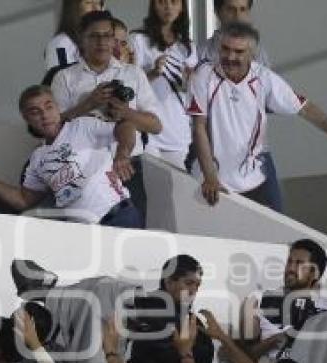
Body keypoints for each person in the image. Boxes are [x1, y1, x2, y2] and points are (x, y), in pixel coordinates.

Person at [189, 22, 327, 208]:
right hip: (209, 182)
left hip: (253, 182)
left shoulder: (264, 78)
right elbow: (199, 127)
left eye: (239, 52)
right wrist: (210, 177)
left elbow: (304, 107)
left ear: (252, 54)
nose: (230, 57)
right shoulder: (204, 75)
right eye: (225, 49)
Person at [0, 84, 141, 228]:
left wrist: (122, 154)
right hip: (82, 232)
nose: (45, 115)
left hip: (117, 216)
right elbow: (23, 200)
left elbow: (126, 126)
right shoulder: (37, 158)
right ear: (26, 119)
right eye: (35, 112)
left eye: (48, 107)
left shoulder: (81, 126)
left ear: (57, 107)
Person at [51, 10, 162, 226]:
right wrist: (88, 104)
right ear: (81, 39)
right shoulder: (65, 77)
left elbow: (156, 125)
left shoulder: (132, 73)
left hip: (127, 165)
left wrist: (126, 112)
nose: (102, 42)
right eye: (94, 36)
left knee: (133, 237)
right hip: (82, 168)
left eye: (107, 35)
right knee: (86, 240)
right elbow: (53, 129)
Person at [197, 0, 285, 212]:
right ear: (218, 12)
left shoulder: (258, 51)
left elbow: (268, 100)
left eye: (243, 9)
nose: (237, 15)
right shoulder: (202, 53)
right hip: (216, 157)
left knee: (275, 219)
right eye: (231, 9)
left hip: (257, 154)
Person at [240, 239, 327, 363]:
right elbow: (246, 354)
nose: (290, 268)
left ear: (315, 273)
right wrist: (277, 339)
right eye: (289, 262)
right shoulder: (257, 300)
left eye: (299, 264)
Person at [131, 0, 198, 169]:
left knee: (177, 191)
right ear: (153, 5)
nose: (168, 7)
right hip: (148, 131)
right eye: (162, 1)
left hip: (178, 132)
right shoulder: (137, 39)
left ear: (182, 6)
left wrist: (191, 82)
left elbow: (192, 93)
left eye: (174, 2)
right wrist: (153, 73)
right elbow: (128, 85)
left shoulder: (188, 46)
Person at [128, 254, 216, 363]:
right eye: (189, 283)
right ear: (169, 282)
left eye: (197, 285)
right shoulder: (142, 311)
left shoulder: (194, 321)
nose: (193, 290)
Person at [45, 0, 103, 73]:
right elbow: (62, 79)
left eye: (99, 3)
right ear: (73, 8)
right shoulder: (61, 44)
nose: (96, 9)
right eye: (88, 2)